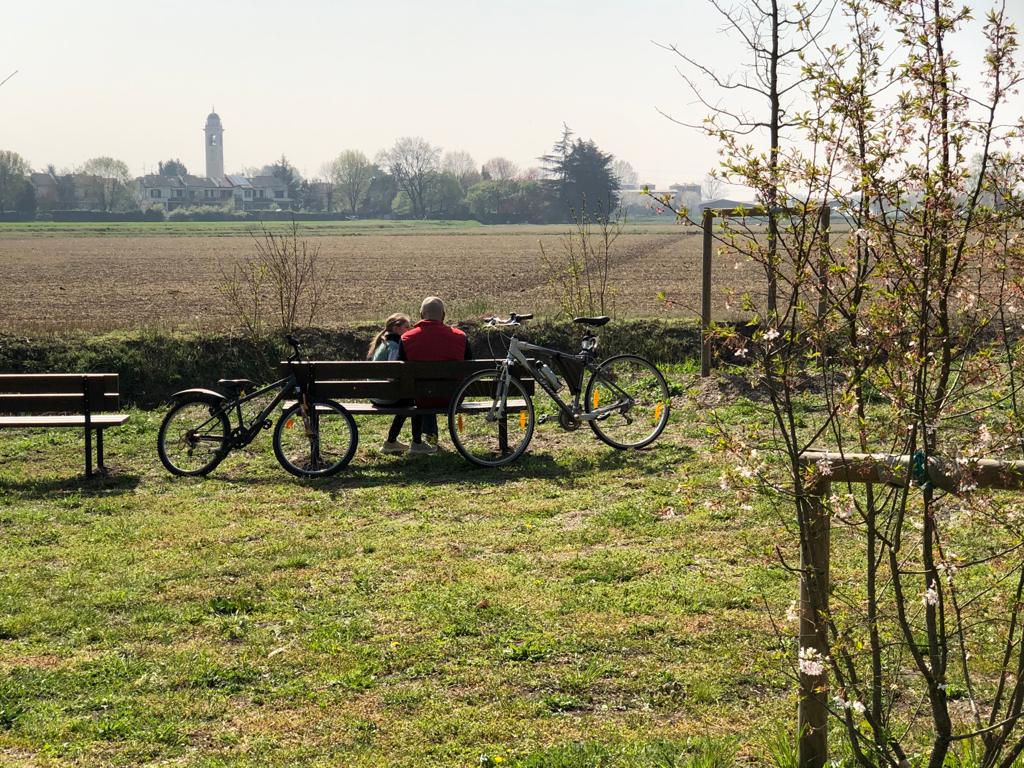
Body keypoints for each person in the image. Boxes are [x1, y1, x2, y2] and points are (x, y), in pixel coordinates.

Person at [399, 296, 472, 454]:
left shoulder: (406, 339)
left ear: (421, 314)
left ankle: (421, 441)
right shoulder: (460, 337)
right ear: (444, 315)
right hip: (453, 398)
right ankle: (431, 440)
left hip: (420, 399)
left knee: (420, 387)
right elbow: (470, 367)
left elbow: (402, 373)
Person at [367, 313, 414, 454]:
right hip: (385, 396)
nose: (409, 329)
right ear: (396, 328)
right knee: (414, 401)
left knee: (409, 400)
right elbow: (392, 374)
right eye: (407, 326)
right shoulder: (394, 345)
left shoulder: (383, 343)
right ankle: (399, 442)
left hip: (375, 394)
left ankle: (392, 441)